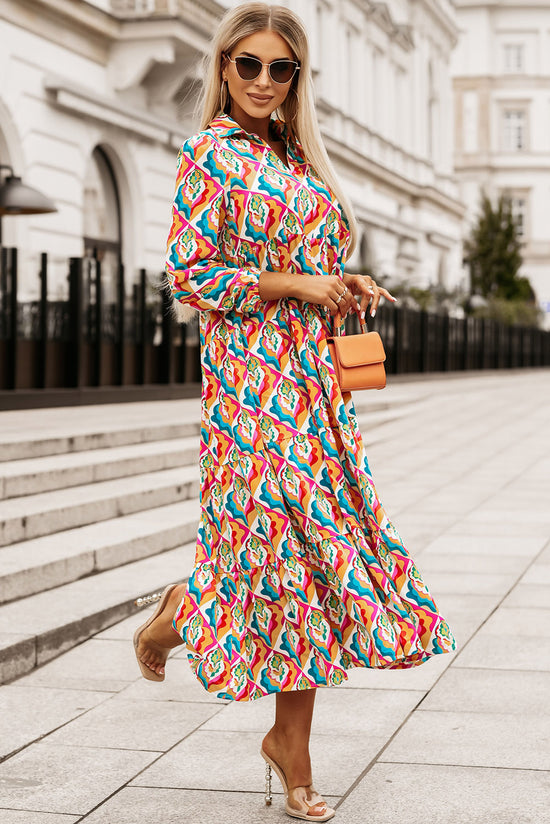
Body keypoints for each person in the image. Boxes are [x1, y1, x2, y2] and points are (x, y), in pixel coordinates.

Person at [133, 3, 456, 821]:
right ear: (223, 66)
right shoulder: (209, 152)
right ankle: (186, 616)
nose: (265, 82)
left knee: (309, 556)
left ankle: (286, 738)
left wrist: (339, 284)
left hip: (313, 384)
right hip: (248, 388)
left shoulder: (301, 158)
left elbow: (311, 261)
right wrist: (294, 285)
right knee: (280, 545)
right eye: (250, 65)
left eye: (282, 69)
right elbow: (192, 272)